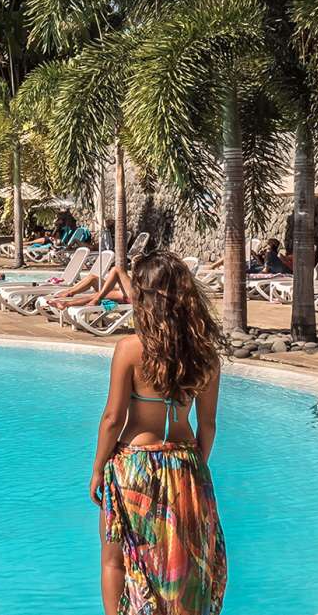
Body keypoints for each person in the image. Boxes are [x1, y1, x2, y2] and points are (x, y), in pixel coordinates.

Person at [90, 250, 226, 615]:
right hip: (186, 464)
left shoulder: (130, 350)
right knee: (186, 569)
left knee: (116, 560)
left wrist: (98, 468)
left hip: (135, 466)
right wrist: (192, 468)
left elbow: (112, 418)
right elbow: (208, 424)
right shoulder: (206, 356)